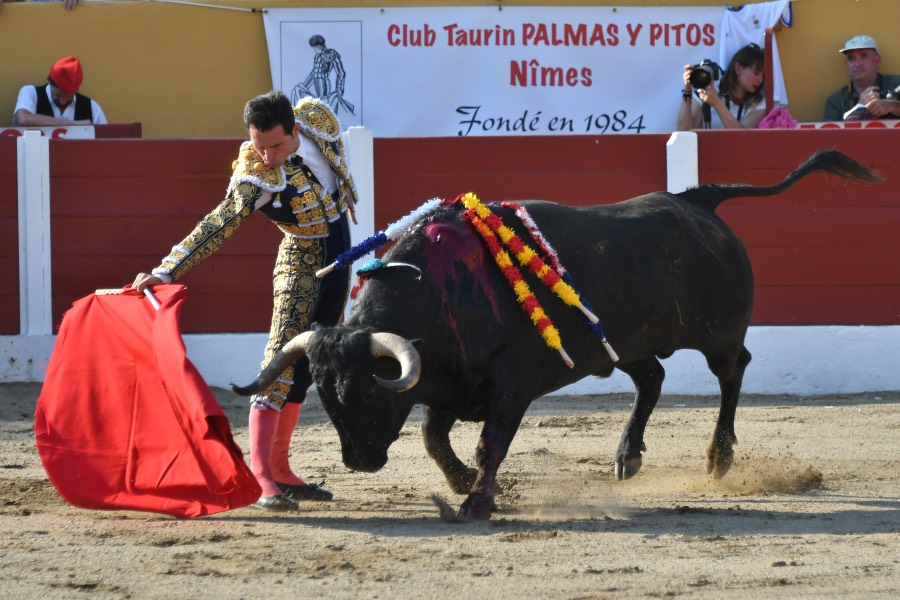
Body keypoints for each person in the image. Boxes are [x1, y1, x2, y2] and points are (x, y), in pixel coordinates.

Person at [131, 91, 359, 512]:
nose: (267, 156)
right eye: (258, 145)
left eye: (275, 145)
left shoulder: (315, 121)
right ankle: (262, 476)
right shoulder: (255, 175)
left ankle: (283, 469)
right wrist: (166, 269)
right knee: (279, 362)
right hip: (301, 262)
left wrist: (347, 195)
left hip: (340, 261)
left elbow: (336, 157)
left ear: (294, 131)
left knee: (308, 364)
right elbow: (218, 223)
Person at [677, 43, 767, 130]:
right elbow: (684, 131)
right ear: (738, 68)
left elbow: (743, 138)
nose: (760, 80)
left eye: (763, 76)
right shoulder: (707, 92)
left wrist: (716, 103)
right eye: (756, 73)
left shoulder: (760, 104)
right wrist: (687, 90)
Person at [12, 56, 107, 126]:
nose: (63, 101)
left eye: (69, 96)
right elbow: (24, 119)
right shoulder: (31, 93)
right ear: (49, 81)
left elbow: (106, 142)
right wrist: (75, 125)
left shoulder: (92, 107)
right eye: (58, 95)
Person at [823, 35, 900, 121]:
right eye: (851, 58)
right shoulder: (836, 100)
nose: (857, 64)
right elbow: (828, 133)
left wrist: (892, 106)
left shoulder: (897, 84)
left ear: (877, 60)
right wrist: (851, 118)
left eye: (863, 56)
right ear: (846, 64)